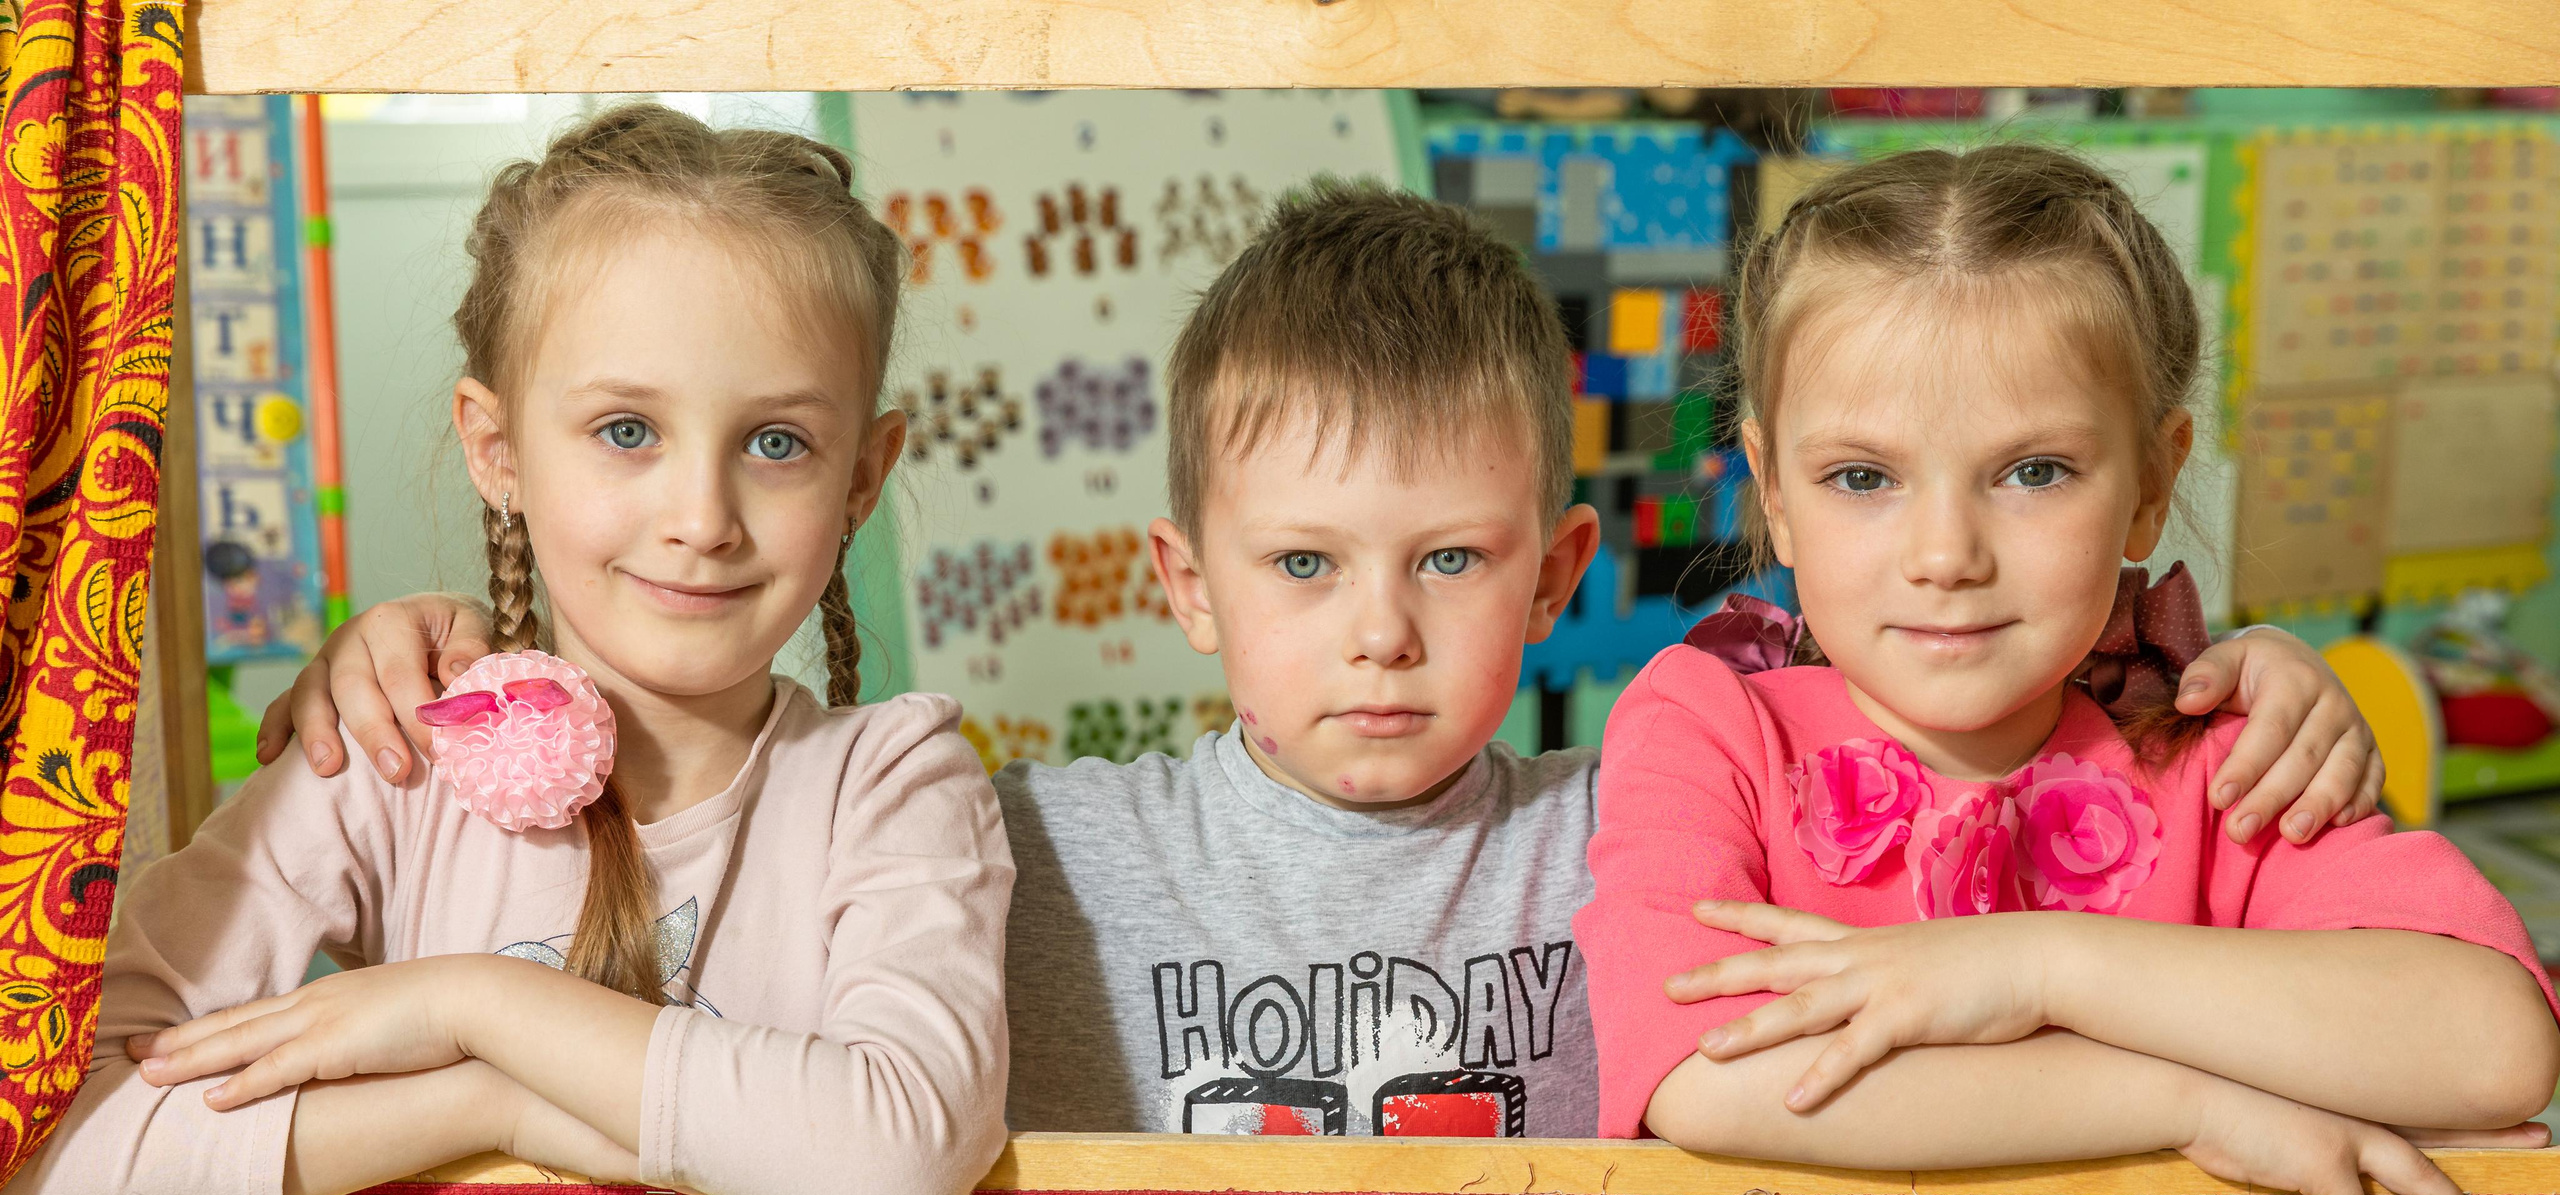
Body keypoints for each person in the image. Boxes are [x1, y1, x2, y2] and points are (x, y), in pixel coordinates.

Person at [267, 182, 2379, 1141]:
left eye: (1447, 561)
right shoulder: (1012, 837)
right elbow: (712, 971)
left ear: (1555, 570)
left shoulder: (1663, 810)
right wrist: (444, 658)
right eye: (1302, 563)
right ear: (1185, 582)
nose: (1375, 631)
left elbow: (1955, 820)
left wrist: (2198, 659)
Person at [0, 104, 1011, 1195]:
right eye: (627, 430)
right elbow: (43, 1159)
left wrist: (469, 1005)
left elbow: (898, 1166)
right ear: (497, 451)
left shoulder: (894, 783)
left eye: (777, 442)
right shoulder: (384, 754)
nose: (701, 520)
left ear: (864, 475)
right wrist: (493, 1101)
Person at [1577, 143, 2560, 1195]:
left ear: (2150, 483)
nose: (1946, 556)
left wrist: (2038, 968)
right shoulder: (1705, 729)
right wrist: (2187, 1102)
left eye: (2033, 471)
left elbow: (2491, 1048)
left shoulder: (2219, 750)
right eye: (1862, 478)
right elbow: (1705, 1077)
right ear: (1773, 493)